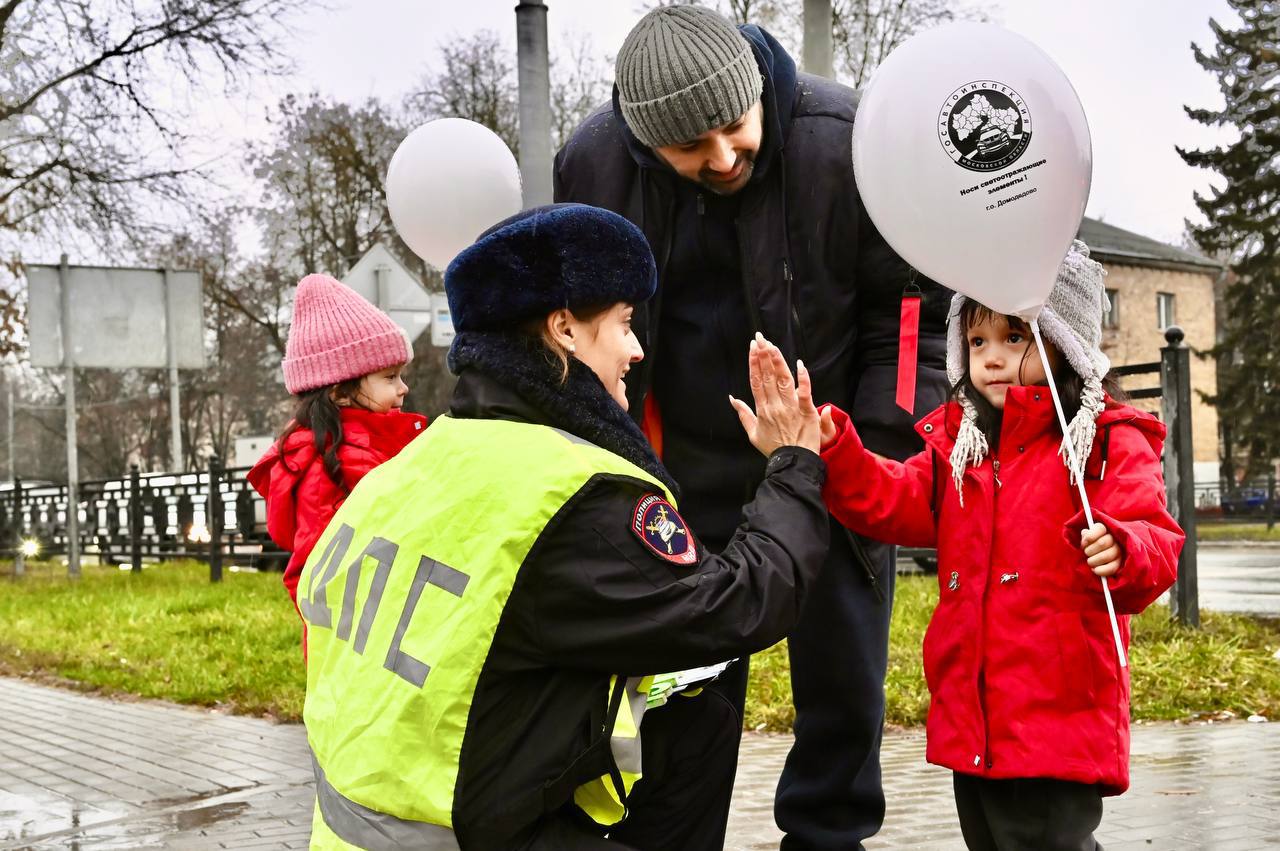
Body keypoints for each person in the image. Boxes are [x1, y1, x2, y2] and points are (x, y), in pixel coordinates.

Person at [299, 203, 833, 850]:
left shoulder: (415, 463)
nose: (637, 349)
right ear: (565, 330)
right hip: (464, 838)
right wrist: (794, 463)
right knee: (705, 691)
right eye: (625, 323)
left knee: (676, 699)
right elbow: (739, 607)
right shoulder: (572, 492)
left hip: (354, 830)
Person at [554, 6, 951, 846]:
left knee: (843, 685)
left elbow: (906, 318)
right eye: (690, 147)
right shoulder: (592, 164)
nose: (724, 157)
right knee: (679, 693)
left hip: (831, 460)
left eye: (735, 126)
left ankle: (828, 837)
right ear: (643, 142)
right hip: (675, 473)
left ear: (757, 92)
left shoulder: (848, 141)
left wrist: (877, 459)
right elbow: (578, 330)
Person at [805, 242, 1184, 850]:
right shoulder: (967, 448)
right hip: (974, 716)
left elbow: (1154, 532)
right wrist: (836, 449)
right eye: (977, 342)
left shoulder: (1103, 440)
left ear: (1067, 341)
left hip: (1059, 714)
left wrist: (1124, 546)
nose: (993, 359)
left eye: (1015, 337)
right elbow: (895, 497)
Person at [248, 274, 427, 649]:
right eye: (389, 377)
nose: (403, 388)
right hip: (363, 651)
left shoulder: (369, 450)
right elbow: (314, 577)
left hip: (384, 639)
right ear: (340, 393)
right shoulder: (330, 470)